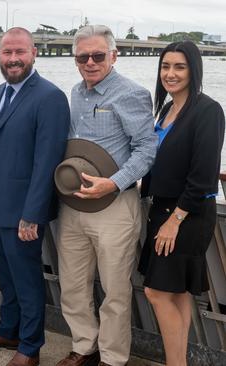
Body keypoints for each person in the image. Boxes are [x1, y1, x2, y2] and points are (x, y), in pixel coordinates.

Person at [0, 28, 70, 366]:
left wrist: (33, 214)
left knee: (26, 281)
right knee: (5, 277)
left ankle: (29, 347)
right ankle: (8, 329)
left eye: (19, 52)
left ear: (34, 52)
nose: (13, 59)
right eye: (7, 52)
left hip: (24, 213)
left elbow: (47, 162)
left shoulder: (50, 97)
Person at [55, 25, 157, 366]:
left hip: (114, 206)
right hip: (72, 205)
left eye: (98, 55)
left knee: (115, 289)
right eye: (83, 57)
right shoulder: (74, 92)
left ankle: (113, 358)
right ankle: (83, 346)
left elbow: (146, 150)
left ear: (113, 56)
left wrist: (113, 183)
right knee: (72, 282)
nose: (90, 62)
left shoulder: (132, 93)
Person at [138, 41, 225, 366]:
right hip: (162, 208)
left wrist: (174, 221)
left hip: (186, 215)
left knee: (156, 292)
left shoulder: (207, 110)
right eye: (165, 66)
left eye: (179, 67)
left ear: (194, 71)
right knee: (175, 293)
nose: (170, 74)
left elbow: (203, 176)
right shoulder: (167, 109)